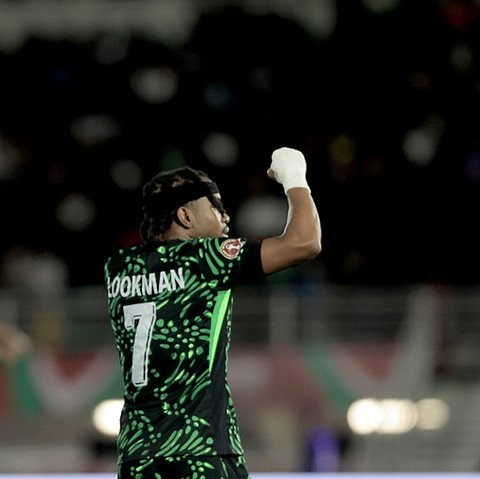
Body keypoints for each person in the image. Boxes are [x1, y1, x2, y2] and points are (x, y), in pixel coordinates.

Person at [105, 147, 321, 479]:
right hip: (200, 450)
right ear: (185, 216)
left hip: (138, 456)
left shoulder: (118, 267)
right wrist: (294, 176)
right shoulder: (206, 258)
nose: (226, 216)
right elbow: (305, 242)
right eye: (215, 206)